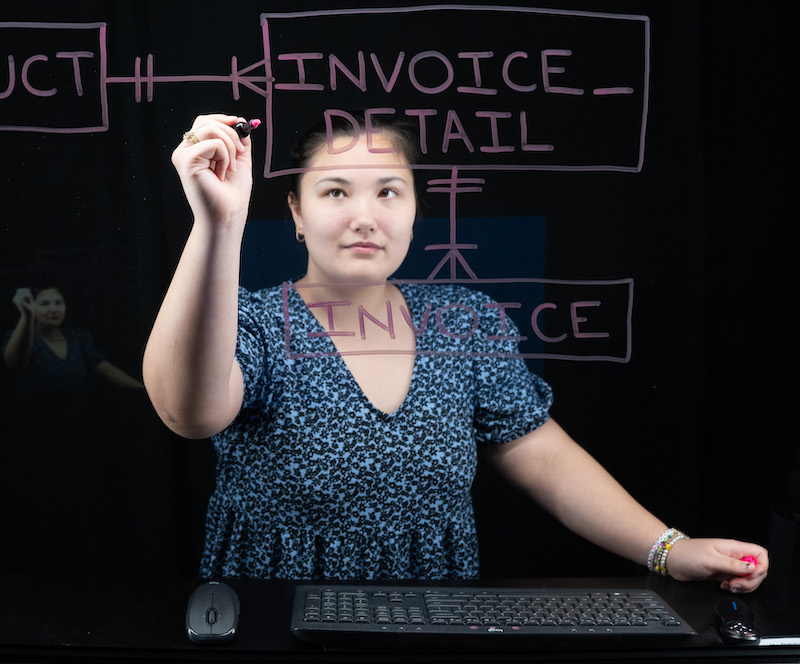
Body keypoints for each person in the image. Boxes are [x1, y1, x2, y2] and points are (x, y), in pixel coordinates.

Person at [143, 112, 768, 591]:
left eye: (389, 191)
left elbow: (539, 453)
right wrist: (219, 223)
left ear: (417, 210)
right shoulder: (250, 322)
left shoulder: (462, 320)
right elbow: (188, 413)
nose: (365, 216)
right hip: (272, 622)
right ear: (296, 212)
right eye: (335, 192)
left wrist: (670, 549)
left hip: (437, 623)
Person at [3, 286, 144, 393]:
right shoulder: (20, 337)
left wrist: (143, 391)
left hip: (79, 412)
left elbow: (106, 369)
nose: (53, 309)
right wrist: (27, 316)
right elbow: (15, 364)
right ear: (32, 306)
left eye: (58, 303)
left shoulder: (78, 336)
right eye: (44, 304)